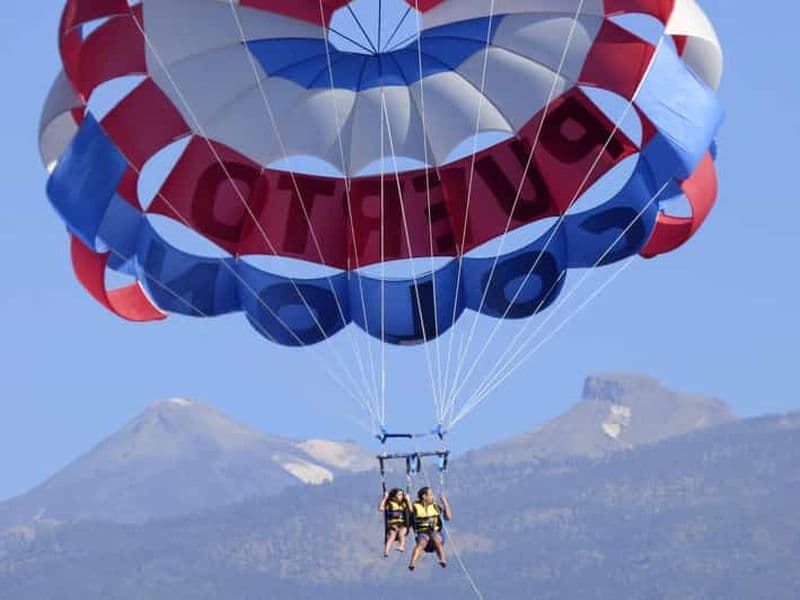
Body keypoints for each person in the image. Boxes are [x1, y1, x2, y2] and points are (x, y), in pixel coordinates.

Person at [408, 486, 452, 571]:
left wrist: (445, 503)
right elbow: (409, 516)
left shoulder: (435, 506)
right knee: (422, 542)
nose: (432, 497)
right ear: (424, 496)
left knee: (436, 538)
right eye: (431, 495)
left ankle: (442, 559)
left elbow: (448, 517)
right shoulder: (415, 506)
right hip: (422, 532)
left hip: (434, 532)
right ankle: (412, 563)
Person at [378, 488, 411, 557]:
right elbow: (381, 508)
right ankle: (386, 551)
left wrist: (408, 500)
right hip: (393, 525)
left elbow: (411, 510)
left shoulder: (404, 504)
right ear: (393, 497)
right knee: (392, 535)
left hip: (402, 525)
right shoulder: (389, 504)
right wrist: (385, 498)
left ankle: (401, 546)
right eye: (399, 495)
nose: (401, 496)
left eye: (402, 495)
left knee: (402, 533)